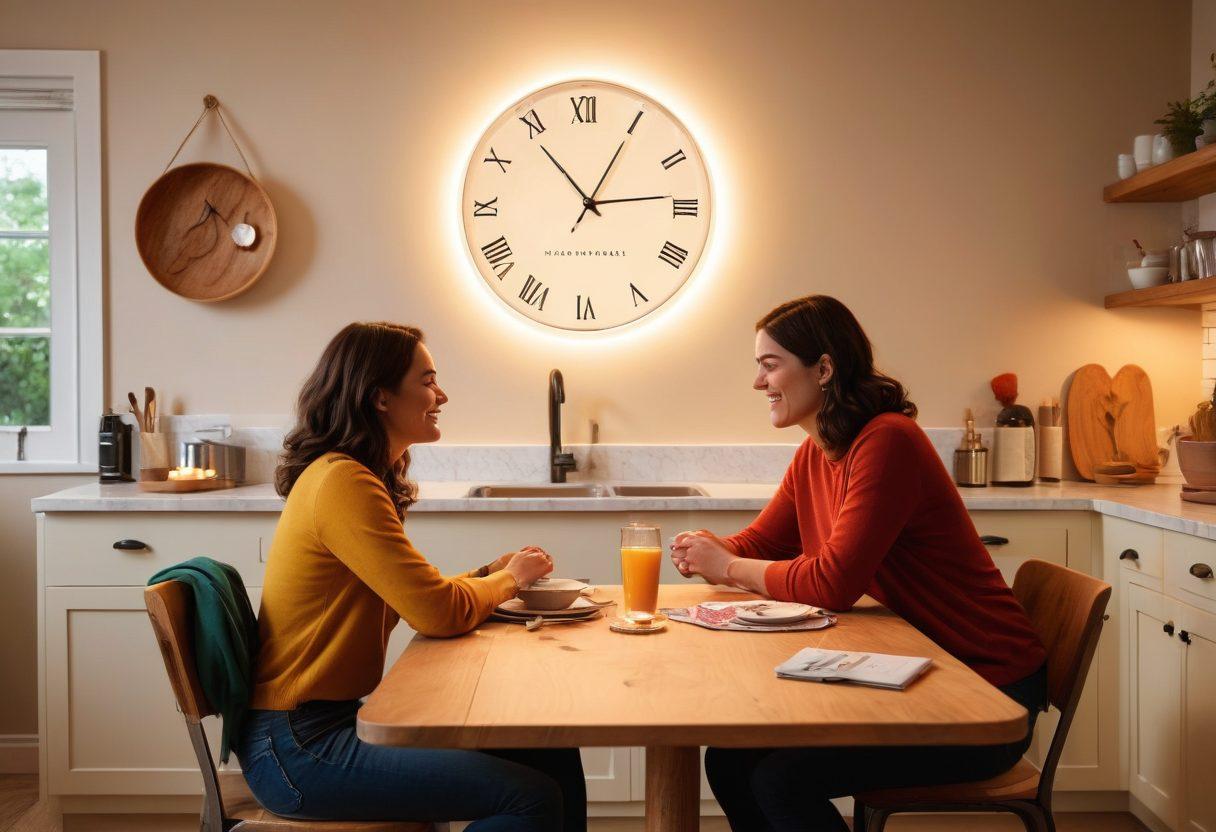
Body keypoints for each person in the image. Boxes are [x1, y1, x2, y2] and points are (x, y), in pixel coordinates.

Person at [670, 296, 1047, 832]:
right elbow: (762, 543)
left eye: (770, 364)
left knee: (780, 777)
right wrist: (710, 550)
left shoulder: (888, 441)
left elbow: (831, 583)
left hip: (983, 695)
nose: (758, 382)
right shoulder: (815, 453)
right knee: (730, 759)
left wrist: (726, 565)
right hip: (918, 676)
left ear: (823, 368)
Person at [238, 322, 586, 832]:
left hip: (316, 729)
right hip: (300, 748)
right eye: (427, 380)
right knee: (529, 799)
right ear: (379, 396)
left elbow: (417, 596)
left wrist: (492, 573)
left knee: (548, 748)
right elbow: (437, 612)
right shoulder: (343, 482)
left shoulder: (353, 476)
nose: (441, 394)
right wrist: (510, 579)